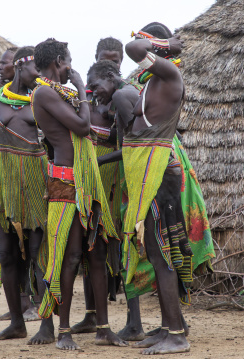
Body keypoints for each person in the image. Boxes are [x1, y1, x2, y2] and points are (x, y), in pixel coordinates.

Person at [31, 38, 126, 350]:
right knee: (71, 256)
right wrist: (82, 85)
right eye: (68, 59)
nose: (71, 65)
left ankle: (103, 328)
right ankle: (64, 332)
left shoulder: (57, 91)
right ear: (59, 60)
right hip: (67, 182)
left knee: (96, 253)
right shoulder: (44, 91)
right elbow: (84, 127)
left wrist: (77, 91)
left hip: (85, 180)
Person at [116, 22, 194, 354]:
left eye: (153, 46)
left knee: (161, 253)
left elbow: (132, 47)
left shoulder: (170, 77)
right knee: (155, 250)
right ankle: (167, 327)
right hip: (148, 171)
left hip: (157, 173)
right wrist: (160, 46)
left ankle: (177, 334)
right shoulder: (155, 80)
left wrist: (160, 44)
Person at [0, 46, 54, 345]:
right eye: (36, 69)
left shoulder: (41, 98)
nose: (41, 74)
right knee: (6, 254)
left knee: (37, 253)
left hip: (35, 179)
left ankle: (47, 325)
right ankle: (17, 322)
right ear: (21, 66)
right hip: (4, 182)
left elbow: (56, 144)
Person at [72, 37, 140, 337]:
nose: (112, 64)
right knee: (92, 246)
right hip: (92, 183)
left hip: (116, 182)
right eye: (106, 59)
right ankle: (91, 316)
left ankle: (134, 321)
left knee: (122, 246)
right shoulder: (93, 100)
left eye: (117, 61)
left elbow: (131, 146)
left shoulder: (124, 97)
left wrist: (99, 163)